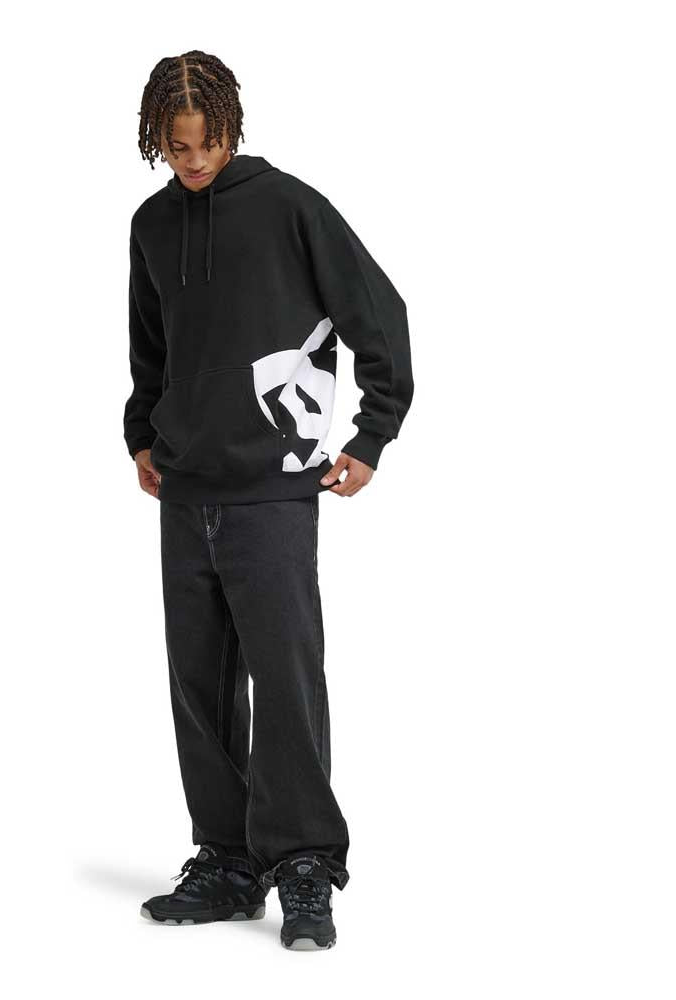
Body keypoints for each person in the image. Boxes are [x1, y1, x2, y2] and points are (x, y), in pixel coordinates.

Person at [123, 50, 413, 951]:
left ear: (231, 128)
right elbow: (149, 345)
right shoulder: (152, 223)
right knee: (200, 683)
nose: (194, 161)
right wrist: (141, 434)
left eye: (206, 144)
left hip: (274, 488)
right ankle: (226, 862)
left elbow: (379, 314)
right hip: (185, 489)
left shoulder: (291, 207)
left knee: (285, 681)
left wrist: (371, 434)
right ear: (156, 140)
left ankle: (305, 864)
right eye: (177, 148)